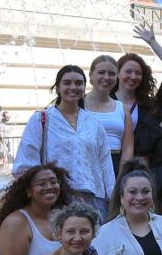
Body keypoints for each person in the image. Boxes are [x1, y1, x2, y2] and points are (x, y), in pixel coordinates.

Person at [12, 65, 115, 219]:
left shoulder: (94, 123)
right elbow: (26, 161)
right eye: (67, 83)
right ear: (58, 87)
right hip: (54, 198)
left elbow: (105, 163)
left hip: (93, 200)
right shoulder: (41, 119)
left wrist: (112, 197)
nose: (73, 87)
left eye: (79, 83)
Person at [84, 56, 135, 178]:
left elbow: (128, 147)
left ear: (117, 77)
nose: (106, 77)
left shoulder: (122, 108)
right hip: (85, 161)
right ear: (91, 75)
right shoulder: (78, 104)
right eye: (101, 72)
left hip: (114, 163)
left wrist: (122, 176)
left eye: (111, 74)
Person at [114, 51, 155, 134]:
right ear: (117, 73)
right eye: (128, 72)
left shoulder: (149, 106)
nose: (133, 77)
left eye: (138, 73)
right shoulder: (104, 100)